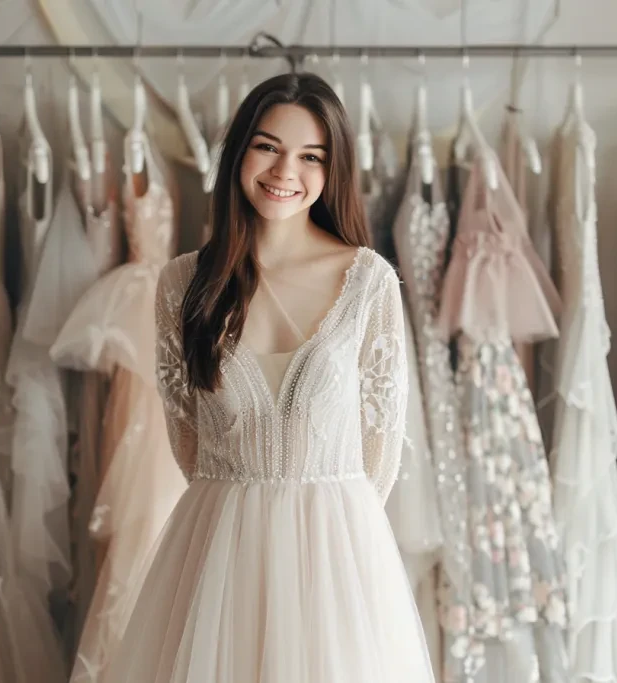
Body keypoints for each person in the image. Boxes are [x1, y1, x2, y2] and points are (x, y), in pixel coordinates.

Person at [102, 72, 435, 683]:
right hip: (219, 551)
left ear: (333, 171)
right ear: (238, 152)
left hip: (336, 563)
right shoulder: (182, 283)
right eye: (268, 146)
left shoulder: (369, 282)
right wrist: (247, 504)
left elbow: (379, 451)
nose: (286, 171)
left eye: (311, 156)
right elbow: (188, 441)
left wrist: (326, 527)